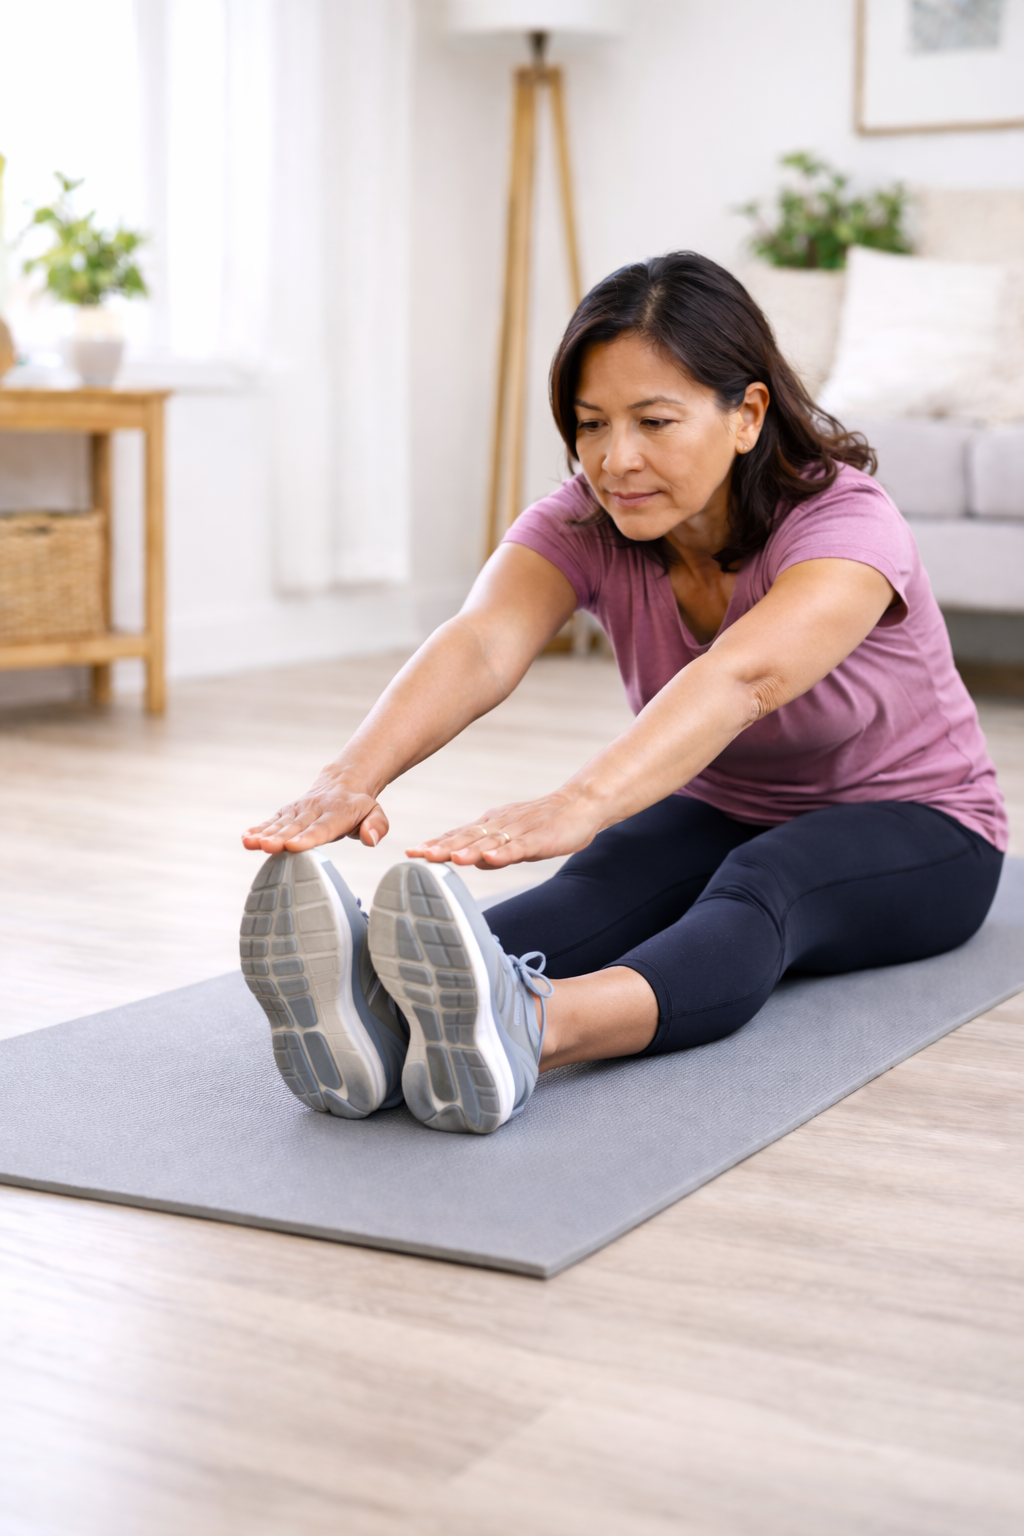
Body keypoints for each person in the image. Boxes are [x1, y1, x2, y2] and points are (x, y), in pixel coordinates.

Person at [240, 252, 1006, 1136]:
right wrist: (352, 776)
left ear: (747, 414)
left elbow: (742, 676)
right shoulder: (584, 520)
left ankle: (530, 1027)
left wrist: (582, 799)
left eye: (654, 421)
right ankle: (378, 1005)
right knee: (601, 881)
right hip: (730, 801)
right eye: (591, 423)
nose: (616, 459)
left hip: (924, 824)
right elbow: (484, 641)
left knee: (765, 883)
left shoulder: (847, 524)